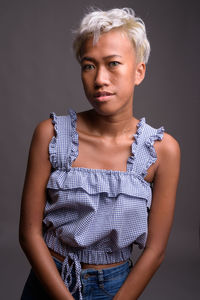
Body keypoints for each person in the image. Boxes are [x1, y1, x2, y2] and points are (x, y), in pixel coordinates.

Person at [19, 7, 181, 300]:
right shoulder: (51, 134)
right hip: (49, 281)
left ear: (139, 71)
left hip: (117, 288)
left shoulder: (162, 150)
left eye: (113, 63)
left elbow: (155, 250)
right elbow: (29, 233)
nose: (100, 79)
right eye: (89, 65)